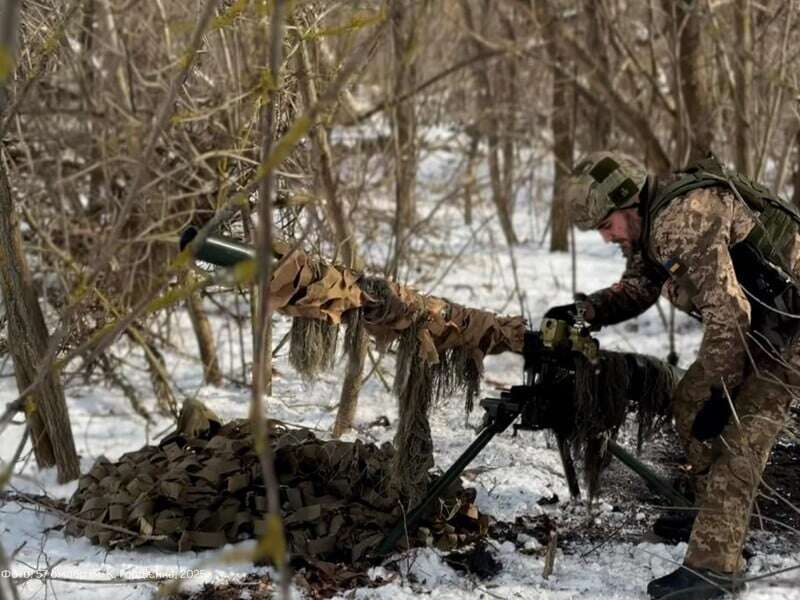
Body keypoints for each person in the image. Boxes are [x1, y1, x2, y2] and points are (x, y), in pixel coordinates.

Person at [546, 151, 800, 599]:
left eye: (607, 226)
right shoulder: (655, 221)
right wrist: (585, 312)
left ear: (628, 205)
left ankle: (714, 569)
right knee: (688, 402)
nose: (607, 238)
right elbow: (642, 285)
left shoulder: (679, 221)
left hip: (788, 333)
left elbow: (730, 316)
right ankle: (709, 514)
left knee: (741, 434)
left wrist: (721, 395)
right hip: (766, 328)